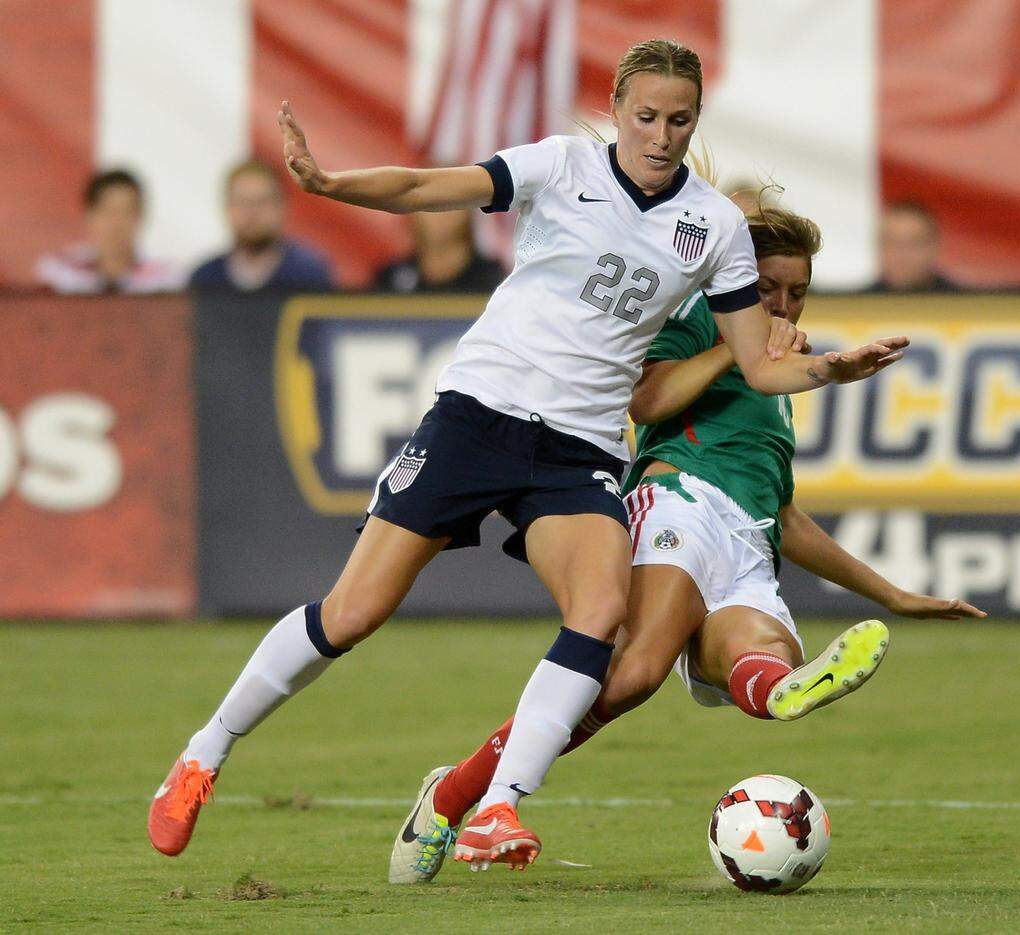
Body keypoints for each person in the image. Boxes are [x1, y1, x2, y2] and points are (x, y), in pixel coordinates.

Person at [147, 39, 906, 870]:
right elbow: (423, 186)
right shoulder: (561, 166)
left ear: (695, 120)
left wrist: (832, 368)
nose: (661, 135)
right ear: (618, 108)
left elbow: (760, 362)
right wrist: (331, 184)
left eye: (679, 120)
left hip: (576, 449)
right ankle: (203, 752)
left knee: (599, 613)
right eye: (646, 116)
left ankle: (497, 807)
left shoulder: (717, 228)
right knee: (352, 613)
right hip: (480, 414)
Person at [390, 203, 981, 884]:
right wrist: (741, 339)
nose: (782, 303)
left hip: (751, 544)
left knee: (764, 655)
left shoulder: (779, 383)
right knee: (636, 672)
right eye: (766, 289)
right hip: (678, 503)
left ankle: (779, 685)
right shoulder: (700, 316)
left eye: (797, 290)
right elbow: (646, 399)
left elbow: (782, 514)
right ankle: (458, 796)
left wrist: (893, 593)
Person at [190, 160, 334, 293]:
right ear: (227, 208)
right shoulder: (204, 278)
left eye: (262, 202)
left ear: (282, 207)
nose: (252, 212)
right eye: (242, 202)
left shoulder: (308, 274)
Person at [35, 169, 183, 294]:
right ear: (89, 215)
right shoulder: (59, 271)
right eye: (108, 211)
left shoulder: (165, 279)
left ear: (141, 217)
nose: (116, 223)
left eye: (126, 211)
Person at [373, 208, 504, 293]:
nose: (440, 212)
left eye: (450, 203)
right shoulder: (393, 275)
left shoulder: (490, 277)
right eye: (429, 204)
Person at [865, 200, 959, 293]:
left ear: (933, 247)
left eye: (913, 244)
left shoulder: (964, 303)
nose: (900, 255)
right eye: (891, 242)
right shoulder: (858, 304)